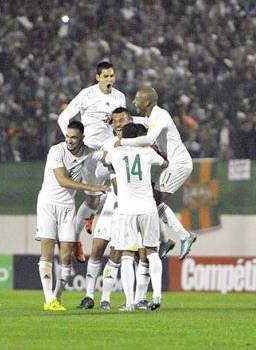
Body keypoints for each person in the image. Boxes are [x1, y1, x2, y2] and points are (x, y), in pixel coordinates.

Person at [116, 86, 197, 260]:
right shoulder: (152, 117)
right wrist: (122, 120)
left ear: (146, 102)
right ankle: (166, 240)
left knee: (153, 201)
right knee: (149, 200)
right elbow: (139, 122)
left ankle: (184, 236)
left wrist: (123, 142)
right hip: (168, 165)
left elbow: (149, 139)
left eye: (137, 98)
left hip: (178, 164)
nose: (135, 101)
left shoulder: (160, 116)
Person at [36, 120, 110, 311]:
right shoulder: (56, 151)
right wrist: (92, 187)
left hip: (67, 207)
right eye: (68, 136)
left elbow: (109, 155)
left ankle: (56, 297)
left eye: (74, 137)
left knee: (66, 257)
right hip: (48, 204)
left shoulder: (88, 152)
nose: (69, 140)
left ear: (82, 138)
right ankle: (48, 299)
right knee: (47, 248)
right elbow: (62, 180)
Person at [57, 61, 126, 263]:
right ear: (98, 78)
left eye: (112, 76)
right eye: (105, 76)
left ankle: (93, 216)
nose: (109, 80)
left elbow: (121, 122)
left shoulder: (120, 97)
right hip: (89, 151)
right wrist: (73, 141)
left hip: (109, 150)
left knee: (118, 187)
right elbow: (64, 118)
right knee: (93, 199)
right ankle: (76, 240)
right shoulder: (86, 94)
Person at [77, 107, 144, 310]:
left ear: (129, 120)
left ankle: (105, 299)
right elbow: (98, 173)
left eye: (121, 120)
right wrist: (107, 162)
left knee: (117, 253)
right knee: (97, 248)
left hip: (129, 206)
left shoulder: (141, 143)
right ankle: (89, 296)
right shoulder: (107, 144)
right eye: (114, 121)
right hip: (111, 203)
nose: (117, 124)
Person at [106, 123, 168, 311]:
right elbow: (165, 163)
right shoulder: (147, 152)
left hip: (127, 210)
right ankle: (156, 294)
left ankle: (130, 302)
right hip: (148, 207)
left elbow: (106, 159)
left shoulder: (115, 153)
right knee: (152, 252)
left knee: (126, 255)